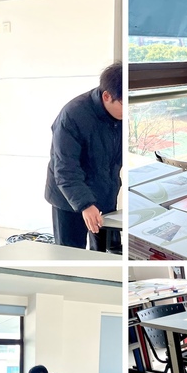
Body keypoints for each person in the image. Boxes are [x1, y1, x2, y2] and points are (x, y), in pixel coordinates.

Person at [44, 62, 122, 250]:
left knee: (107, 253)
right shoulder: (73, 115)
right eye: (124, 104)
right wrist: (85, 204)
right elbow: (65, 169)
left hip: (104, 192)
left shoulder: (119, 115)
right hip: (68, 198)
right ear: (107, 96)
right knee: (70, 255)